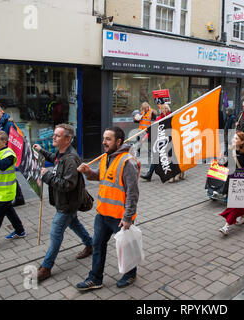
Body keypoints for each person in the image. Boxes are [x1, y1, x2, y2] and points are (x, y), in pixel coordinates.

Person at [76, 127, 140, 291]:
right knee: (97, 246)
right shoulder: (105, 157)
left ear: (118, 142)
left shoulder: (127, 162)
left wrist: (128, 217)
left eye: (108, 139)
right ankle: (95, 278)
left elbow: (133, 193)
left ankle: (130, 274)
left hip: (120, 217)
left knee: (125, 248)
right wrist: (88, 172)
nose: (103, 142)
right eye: (104, 138)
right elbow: (102, 175)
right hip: (102, 214)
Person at [33, 124, 93, 282]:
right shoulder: (62, 153)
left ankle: (46, 267)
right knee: (74, 223)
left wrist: (46, 176)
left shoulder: (71, 159)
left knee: (55, 233)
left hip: (67, 204)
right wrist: (41, 151)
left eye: (57, 136)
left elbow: (68, 185)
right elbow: (56, 160)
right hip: (66, 203)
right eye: (54, 134)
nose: (53, 137)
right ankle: (90, 244)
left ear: (68, 139)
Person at [218, 132, 244, 235]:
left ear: (242, 141)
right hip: (232, 180)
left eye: (236, 139)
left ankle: (226, 226)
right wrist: (221, 160)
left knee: (235, 204)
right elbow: (225, 166)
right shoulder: (230, 151)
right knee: (238, 203)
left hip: (243, 182)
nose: (233, 140)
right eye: (233, 138)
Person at [140, 103, 172, 181]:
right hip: (161, 140)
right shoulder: (160, 118)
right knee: (156, 156)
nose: (164, 110)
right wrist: (145, 137)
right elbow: (153, 128)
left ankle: (172, 173)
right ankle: (149, 174)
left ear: (168, 109)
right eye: (163, 109)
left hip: (170, 140)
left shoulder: (171, 116)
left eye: (166, 108)